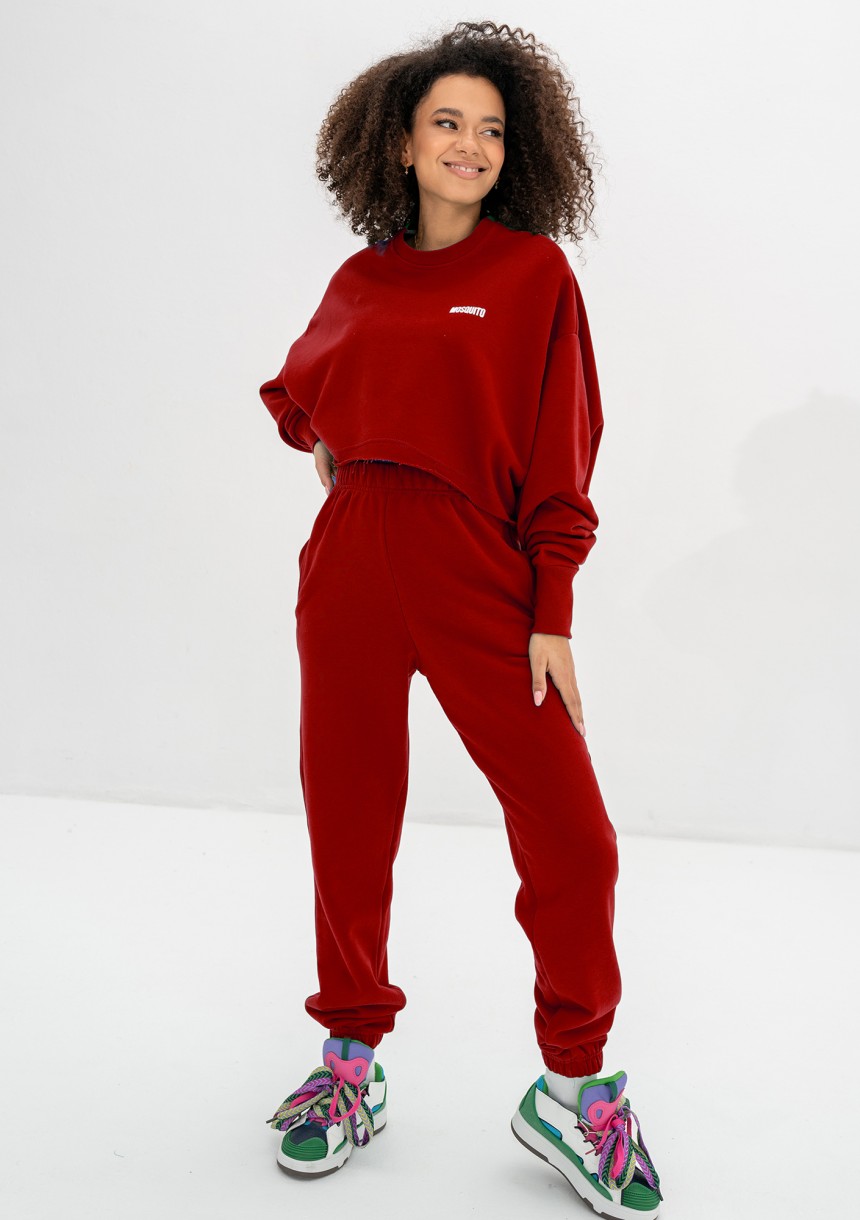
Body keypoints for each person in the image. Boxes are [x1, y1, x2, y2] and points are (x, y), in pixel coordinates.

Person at [258, 20, 663, 1217]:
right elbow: (297, 394)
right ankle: (349, 1060)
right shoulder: (360, 278)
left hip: (478, 571)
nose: (469, 144)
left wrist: (552, 605)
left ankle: (572, 1085)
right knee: (348, 812)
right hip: (349, 564)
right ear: (398, 142)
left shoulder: (533, 276)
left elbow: (561, 455)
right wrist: (332, 445)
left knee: (574, 835)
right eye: (447, 122)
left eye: (489, 129)